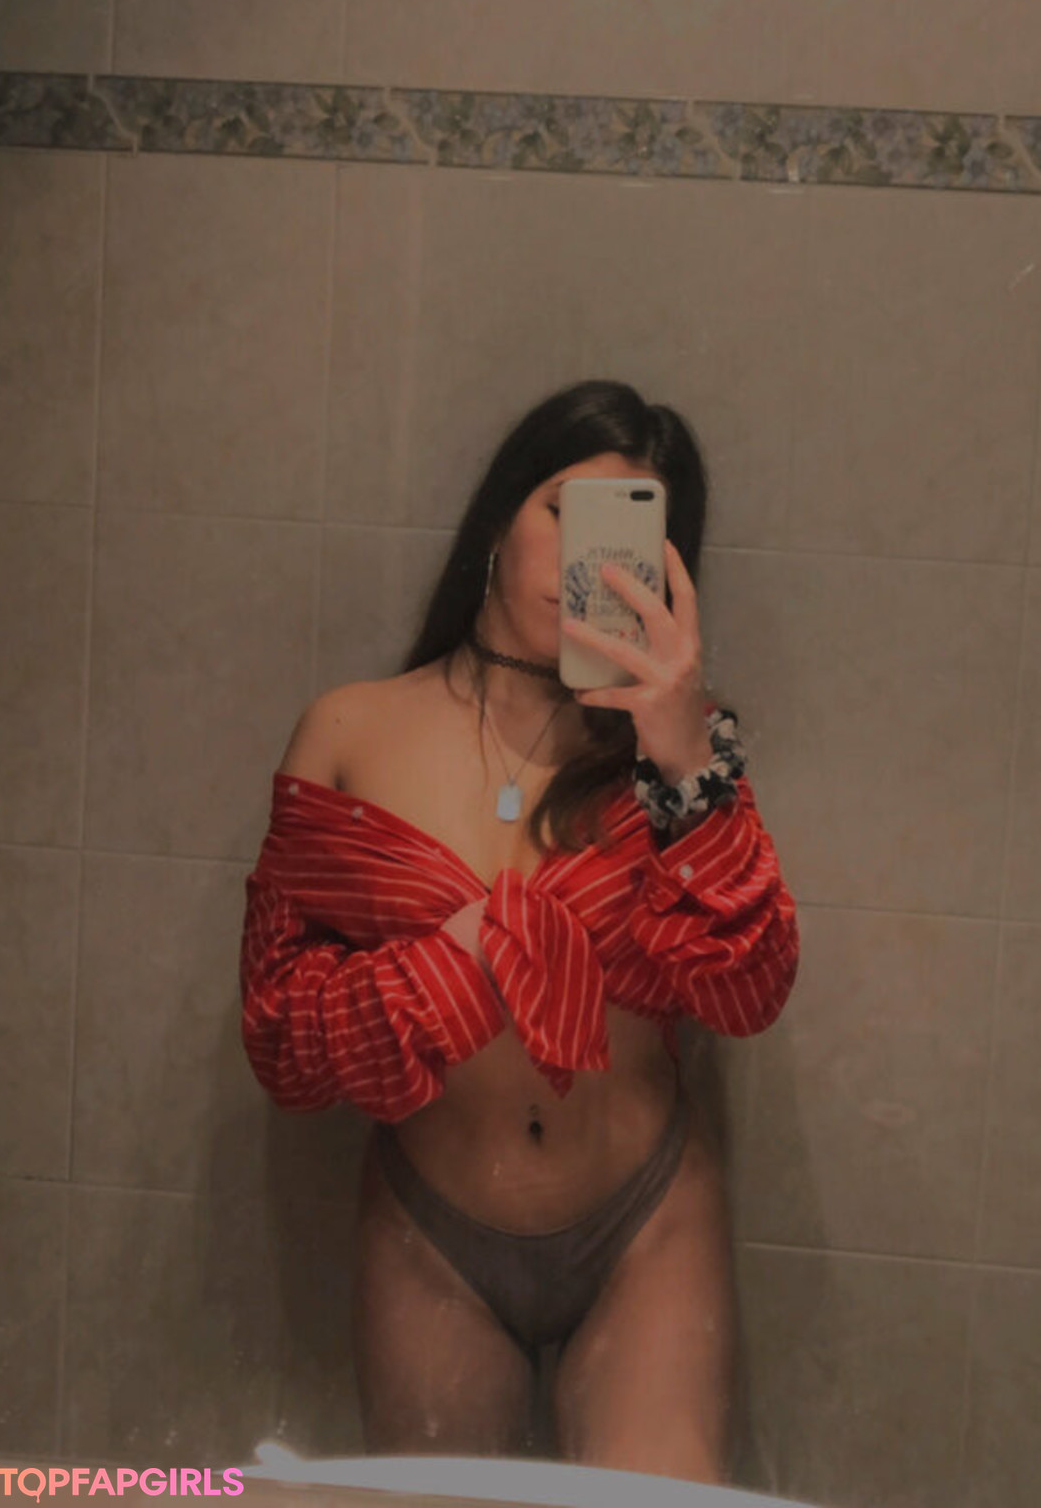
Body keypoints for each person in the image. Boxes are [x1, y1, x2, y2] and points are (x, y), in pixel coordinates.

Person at [239, 379, 799, 1485]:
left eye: (624, 534)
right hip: (430, 1231)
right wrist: (454, 958)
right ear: (499, 516)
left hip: (647, 1225)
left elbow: (750, 989)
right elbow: (281, 1041)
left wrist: (682, 752)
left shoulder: (683, 748)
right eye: (562, 512)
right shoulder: (352, 728)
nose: (586, 559)